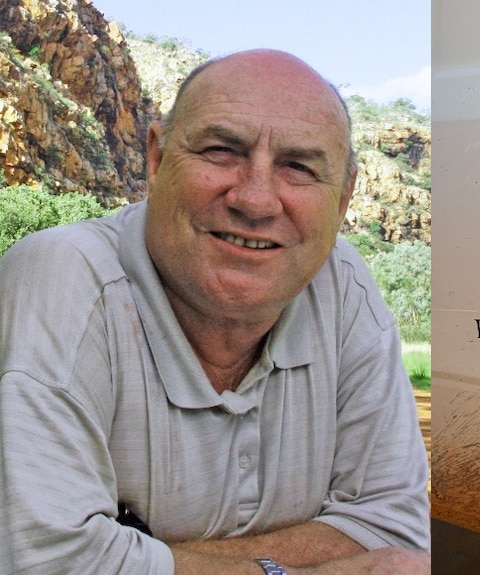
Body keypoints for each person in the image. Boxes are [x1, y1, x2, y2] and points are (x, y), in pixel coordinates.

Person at [0, 49, 430, 574]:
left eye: (298, 166)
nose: (255, 200)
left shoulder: (339, 281)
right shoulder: (64, 276)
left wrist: (139, 557)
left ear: (342, 201)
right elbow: (43, 562)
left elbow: (395, 528)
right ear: (157, 161)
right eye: (222, 150)